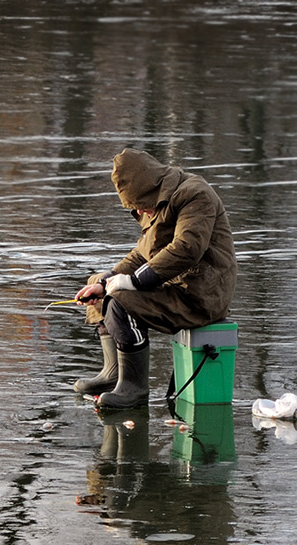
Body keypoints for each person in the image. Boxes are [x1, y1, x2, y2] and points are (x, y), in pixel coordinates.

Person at [73, 148, 237, 408]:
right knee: (101, 284)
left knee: (121, 300)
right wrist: (106, 280)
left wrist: (133, 282)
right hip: (173, 287)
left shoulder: (195, 194)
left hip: (200, 296)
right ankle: (114, 373)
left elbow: (187, 248)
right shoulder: (156, 202)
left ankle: (134, 387)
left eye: (141, 205)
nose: (141, 212)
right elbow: (143, 253)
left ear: (150, 188)